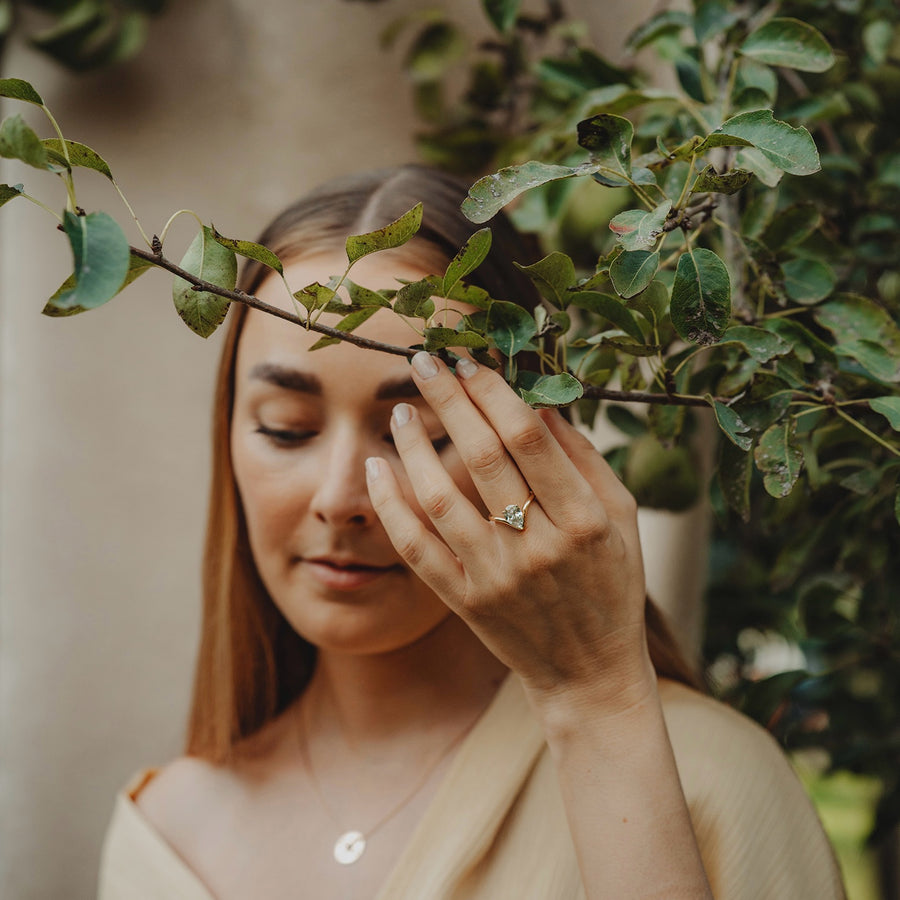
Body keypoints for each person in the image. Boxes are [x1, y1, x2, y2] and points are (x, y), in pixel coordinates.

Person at [97, 166, 846, 900]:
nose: (341, 498)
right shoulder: (167, 832)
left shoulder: (706, 781)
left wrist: (596, 705)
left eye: (416, 433)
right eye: (286, 431)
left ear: (527, 444)